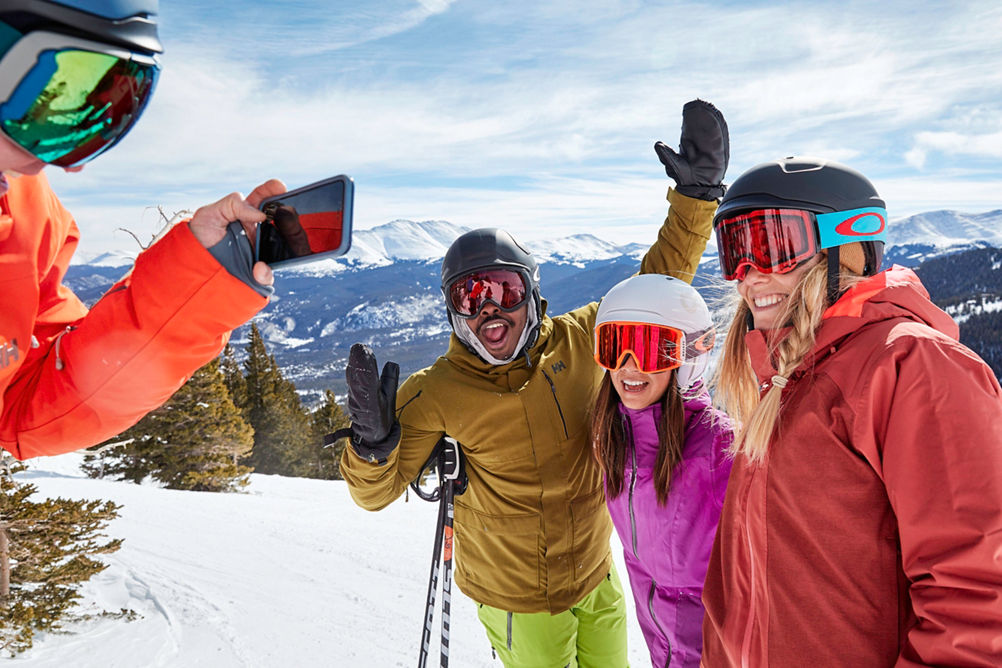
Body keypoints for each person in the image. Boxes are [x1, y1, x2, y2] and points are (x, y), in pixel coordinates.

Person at [339, 99, 729, 667]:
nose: (489, 309)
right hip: (519, 601)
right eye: (470, 297)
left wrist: (695, 199)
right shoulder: (436, 391)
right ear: (453, 311)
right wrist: (372, 448)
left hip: (596, 575)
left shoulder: (579, 341)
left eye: (505, 290)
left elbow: (654, 290)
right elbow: (373, 495)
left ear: (532, 293)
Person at [701, 157, 1002, 666]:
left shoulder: (911, 365)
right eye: (735, 252)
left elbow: (976, 599)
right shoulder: (784, 376)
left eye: (772, 245)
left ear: (848, 248)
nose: (749, 274)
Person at [0, 0, 282, 459]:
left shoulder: (29, 217)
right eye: (50, 109)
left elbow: (29, 401)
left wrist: (194, 285)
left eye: (105, 122)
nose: (69, 165)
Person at [590, 273, 733, 668]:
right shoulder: (616, 441)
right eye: (614, 346)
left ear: (689, 356)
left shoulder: (720, 448)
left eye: (649, 350)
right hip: (662, 651)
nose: (628, 366)